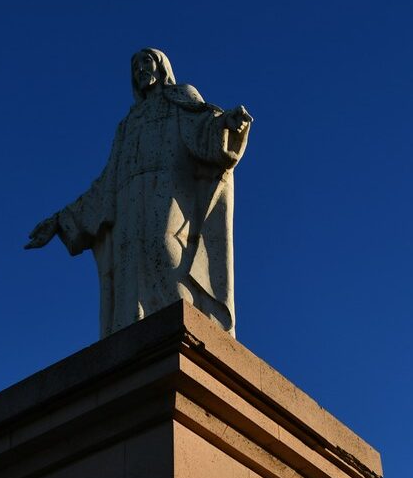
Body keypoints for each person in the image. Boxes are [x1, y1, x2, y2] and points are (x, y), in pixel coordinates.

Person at [26, 48, 252, 338]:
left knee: (166, 253)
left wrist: (226, 125)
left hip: (168, 191)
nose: (139, 70)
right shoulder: (127, 125)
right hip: (129, 207)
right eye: (134, 66)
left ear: (161, 67)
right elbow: (107, 183)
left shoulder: (180, 98)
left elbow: (205, 126)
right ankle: (135, 341)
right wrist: (61, 220)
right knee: (129, 269)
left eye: (146, 62)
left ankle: (193, 333)